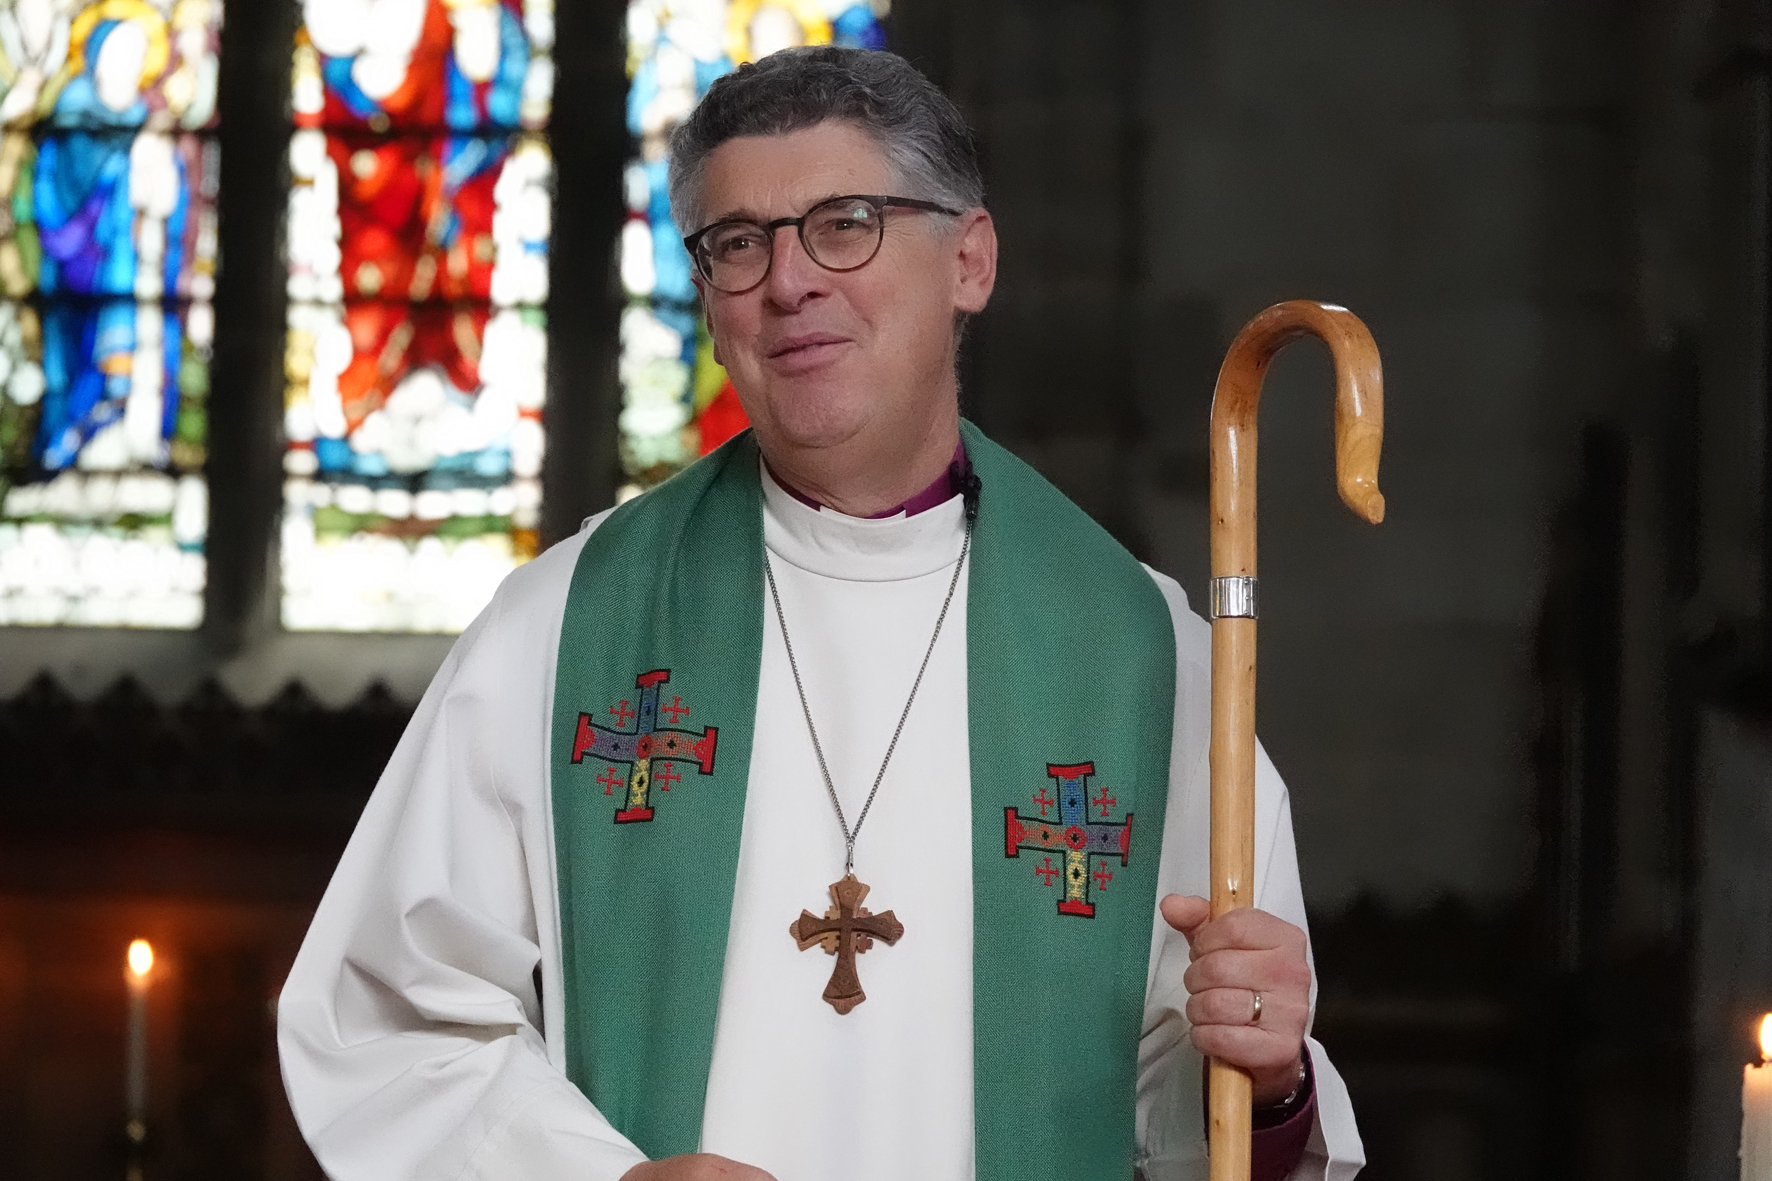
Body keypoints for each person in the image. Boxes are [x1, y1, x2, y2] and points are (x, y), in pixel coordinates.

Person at [277, 45, 1365, 1181]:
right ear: (706, 301)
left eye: (845, 222)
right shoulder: (561, 629)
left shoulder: (1141, 656)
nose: (788, 280)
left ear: (970, 260)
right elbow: (391, 1019)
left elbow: (1189, 1111)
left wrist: (1267, 1076)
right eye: (737, 243)